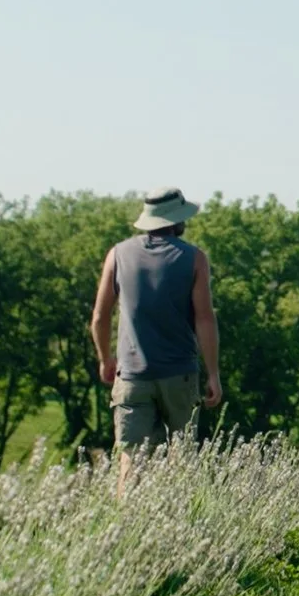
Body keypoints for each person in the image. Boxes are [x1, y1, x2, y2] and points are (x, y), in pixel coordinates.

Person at [92, 187, 223, 452]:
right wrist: (213, 374)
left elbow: (99, 316)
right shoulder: (194, 258)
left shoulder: (117, 254)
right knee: (181, 461)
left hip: (132, 376)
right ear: (176, 220)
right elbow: (205, 319)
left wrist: (105, 359)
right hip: (179, 375)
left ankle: (128, 496)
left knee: (131, 459)